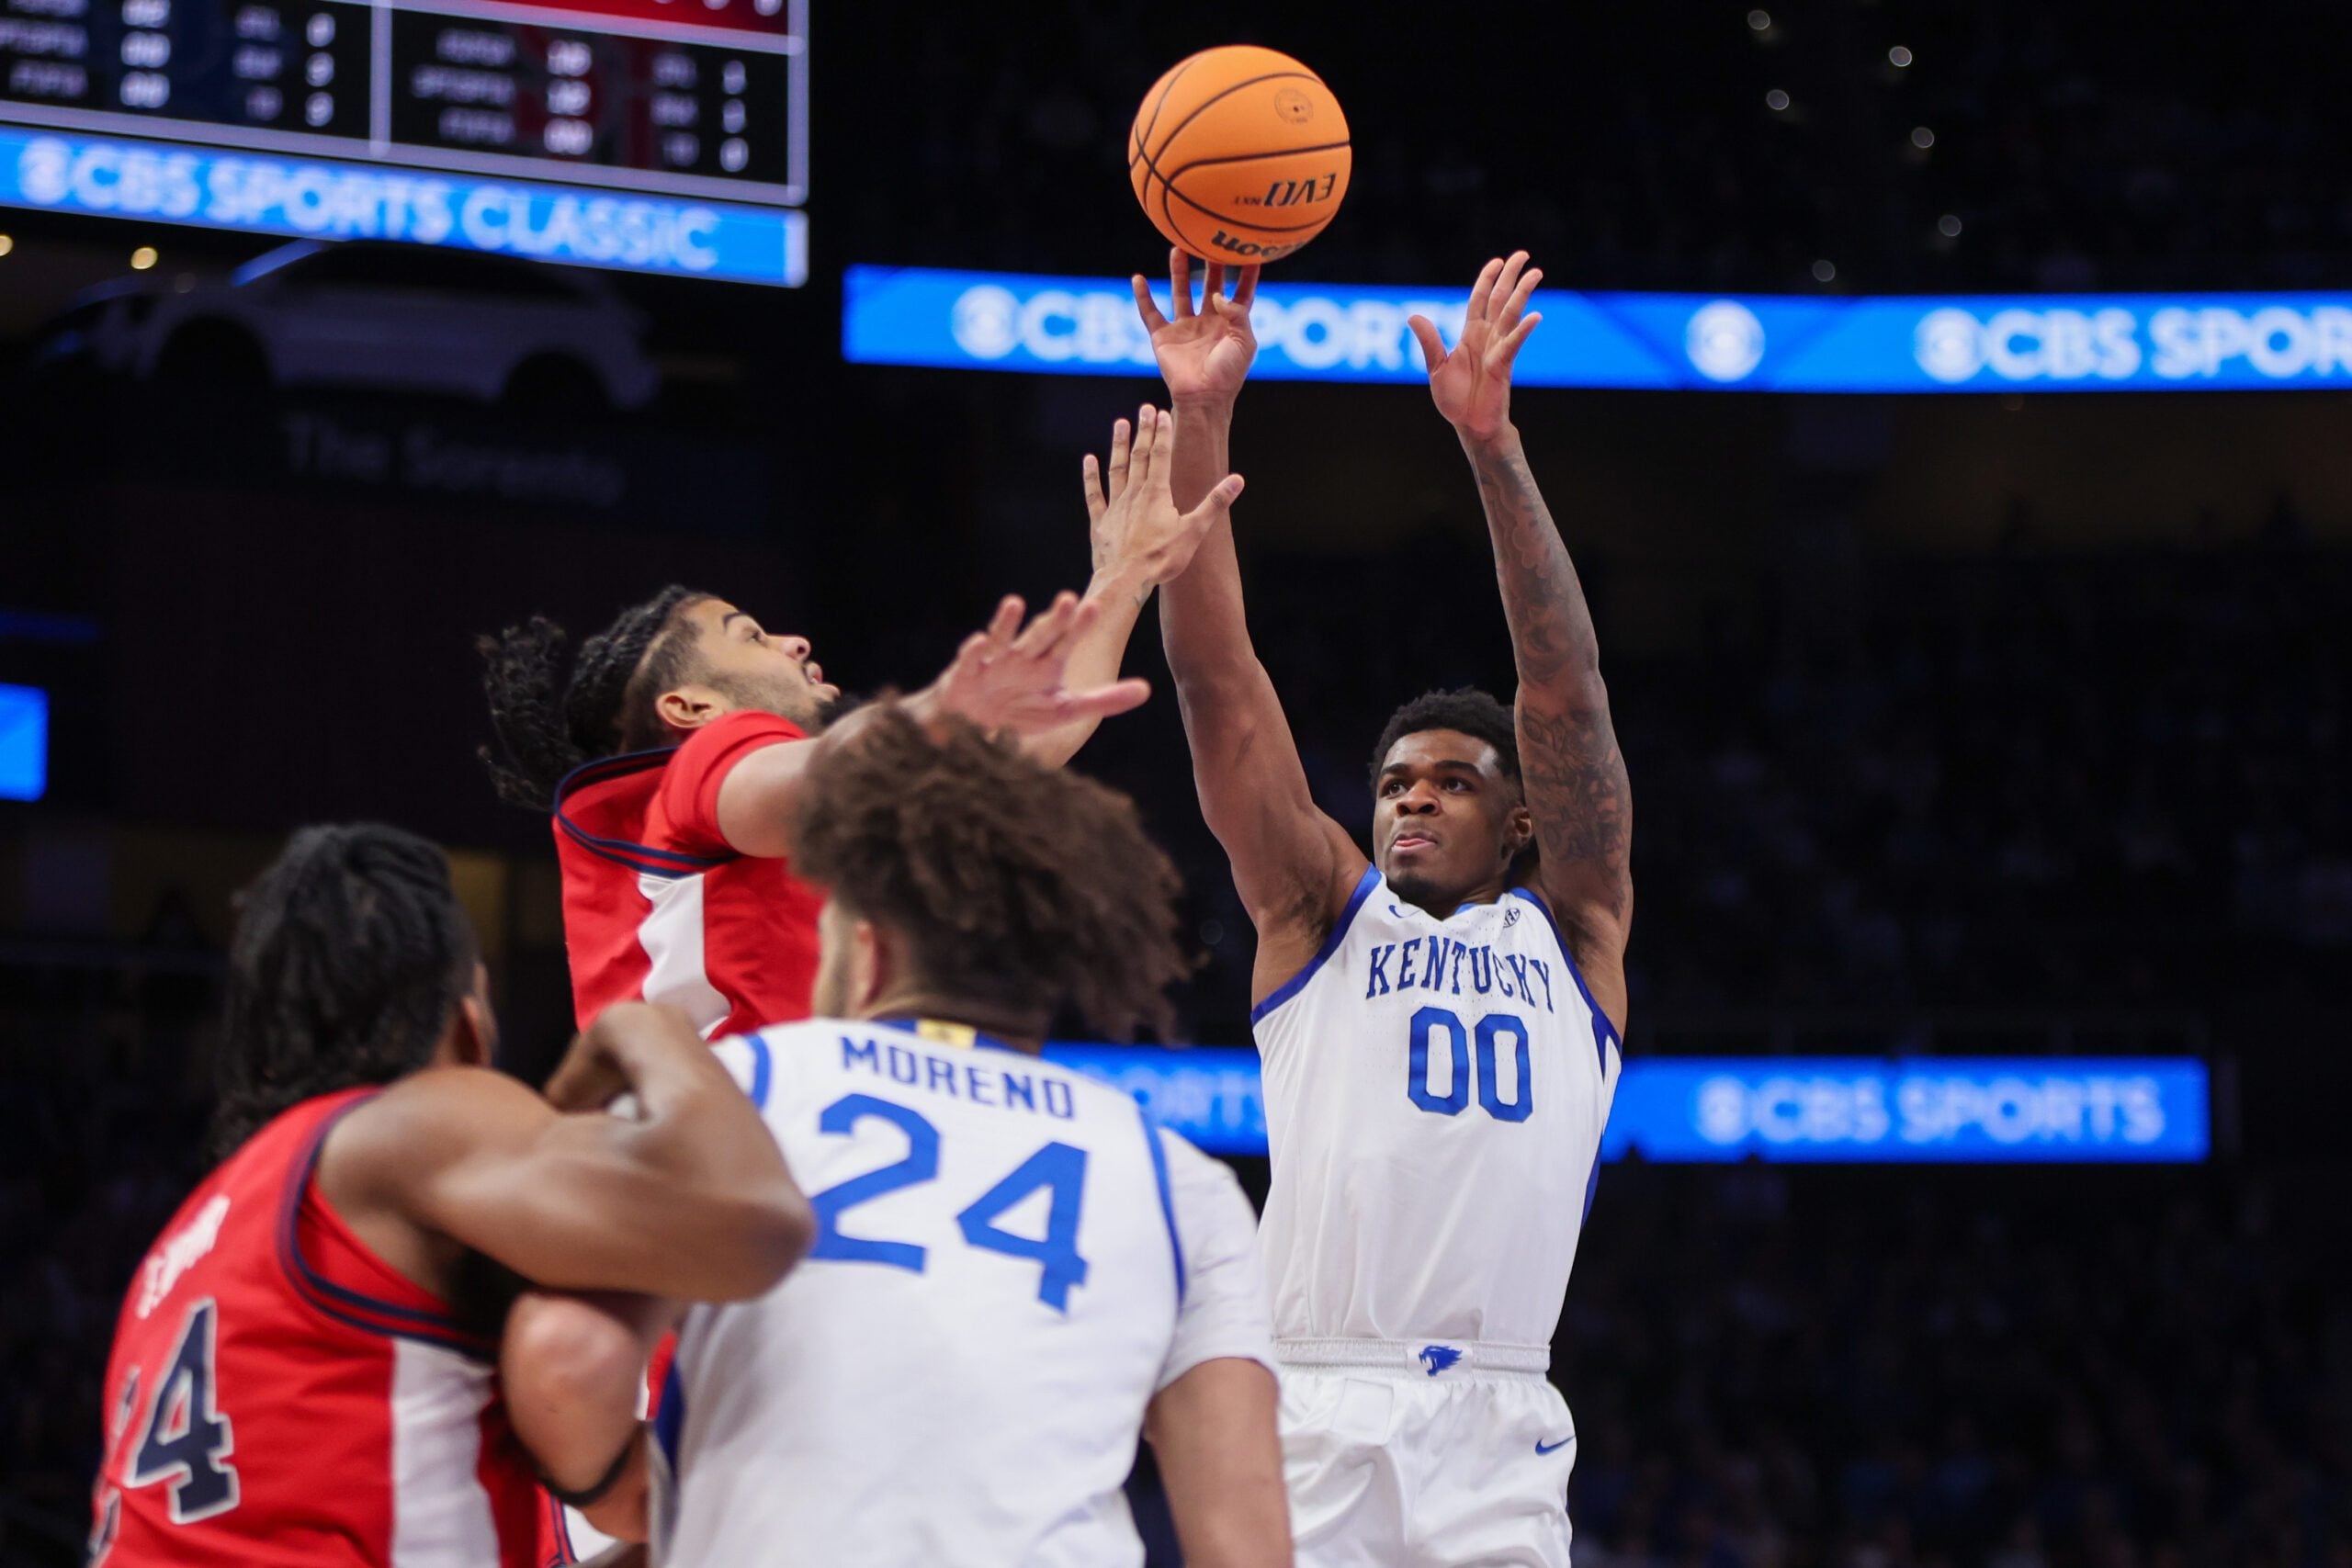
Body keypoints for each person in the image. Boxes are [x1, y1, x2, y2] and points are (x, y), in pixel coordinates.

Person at [505, 707, 1292, 1568]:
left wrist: (638, 1488)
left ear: (868, 953)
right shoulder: (1181, 1182)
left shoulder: (735, 1087)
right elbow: (1245, 1547)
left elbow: (566, 1361)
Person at [1137, 249, 1630, 1565]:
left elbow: (1568, 692)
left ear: (1523, 817)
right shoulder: (1319, 910)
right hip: (1322, 1392)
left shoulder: (1576, 933)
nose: (1409, 799)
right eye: (1394, 781)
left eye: (1453, 781)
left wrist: (1492, 445)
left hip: (1506, 1411)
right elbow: (1217, 684)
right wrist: (1202, 417)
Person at [86, 824, 811, 1567]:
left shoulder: (185, 1242)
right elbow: (755, 1218)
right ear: (468, 1029)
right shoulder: (411, 1123)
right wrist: (650, 1029)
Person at [477, 408, 1243, 1043]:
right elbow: (843, 765)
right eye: (749, 636)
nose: (793, 641)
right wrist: (939, 711)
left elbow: (1028, 737)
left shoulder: (752, 824)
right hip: (700, 1190)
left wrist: (1125, 575)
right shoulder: (698, 769)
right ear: (691, 708)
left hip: (775, 1181)